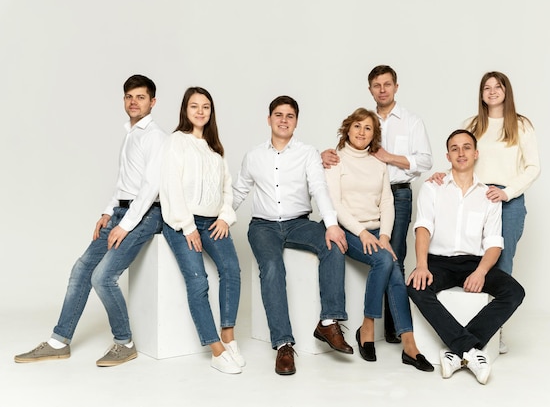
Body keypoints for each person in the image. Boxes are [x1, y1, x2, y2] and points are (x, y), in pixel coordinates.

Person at [15, 75, 167, 367]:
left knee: (103, 277)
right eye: (129, 97)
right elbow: (123, 183)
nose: (134, 102)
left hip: (146, 214)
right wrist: (108, 212)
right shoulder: (131, 134)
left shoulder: (156, 137)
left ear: (153, 102)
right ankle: (59, 341)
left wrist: (126, 225)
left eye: (141, 97)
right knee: (81, 269)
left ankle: (125, 343)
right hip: (123, 211)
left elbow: (150, 188)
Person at [232, 95, 353, 376]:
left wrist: (332, 224)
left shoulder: (308, 153)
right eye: (278, 114)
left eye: (289, 115)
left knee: (333, 245)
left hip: (299, 222)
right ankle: (284, 344)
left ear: (296, 121)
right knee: (272, 267)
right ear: (269, 119)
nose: (283, 120)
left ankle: (327, 322)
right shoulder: (254, 155)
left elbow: (319, 188)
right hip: (263, 226)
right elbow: (239, 191)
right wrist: (223, 219)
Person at [428, 71, 540, 353]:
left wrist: (507, 192)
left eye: (497, 87)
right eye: (486, 88)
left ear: (506, 91)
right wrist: (442, 176)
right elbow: (462, 156)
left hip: (508, 199)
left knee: (502, 261)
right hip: (477, 196)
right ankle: (472, 326)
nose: (492, 91)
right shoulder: (473, 124)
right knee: (475, 257)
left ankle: (496, 330)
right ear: (481, 94)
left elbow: (533, 167)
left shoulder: (521, 125)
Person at [322, 65, 432, 343]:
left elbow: (426, 161)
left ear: (396, 86)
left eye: (387, 84)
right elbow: (334, 189)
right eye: (376, 85)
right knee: (387, 259)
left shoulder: (411, 121)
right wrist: (321, 154)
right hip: (360, 207)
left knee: (396, 257)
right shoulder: (354, 138)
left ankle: (396, 332)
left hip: (399, 194)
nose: (382, 89)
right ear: (370, 89)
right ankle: (376, 328)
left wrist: (389, 157)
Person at [406, 129, 525, 384]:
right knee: (416, 287)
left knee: (514, 292)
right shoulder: (433, 187)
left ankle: (456, 350)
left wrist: (481, 271)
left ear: (476, 153)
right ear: (447, 155)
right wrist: (422, 265)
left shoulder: (489, 195)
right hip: (439, 262)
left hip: (474, 263)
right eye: (455, 148)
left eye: (467, 147)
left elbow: (494, 243)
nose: (461, 153)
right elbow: (423, 227)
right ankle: (470, 350)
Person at [159, 87, 244, 374]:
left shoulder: (215, 147)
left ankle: (229, 337)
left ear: (211, 112)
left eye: (205, 106)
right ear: (185, 110)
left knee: (232, 270)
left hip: (213, 222)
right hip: (182, 224)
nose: (200, 111)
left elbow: (226, 188)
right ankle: (216, 350)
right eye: (194, 106)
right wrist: (188, 226)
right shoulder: (176, 142)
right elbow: (171, 186)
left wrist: (224, 217)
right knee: (198, 281)